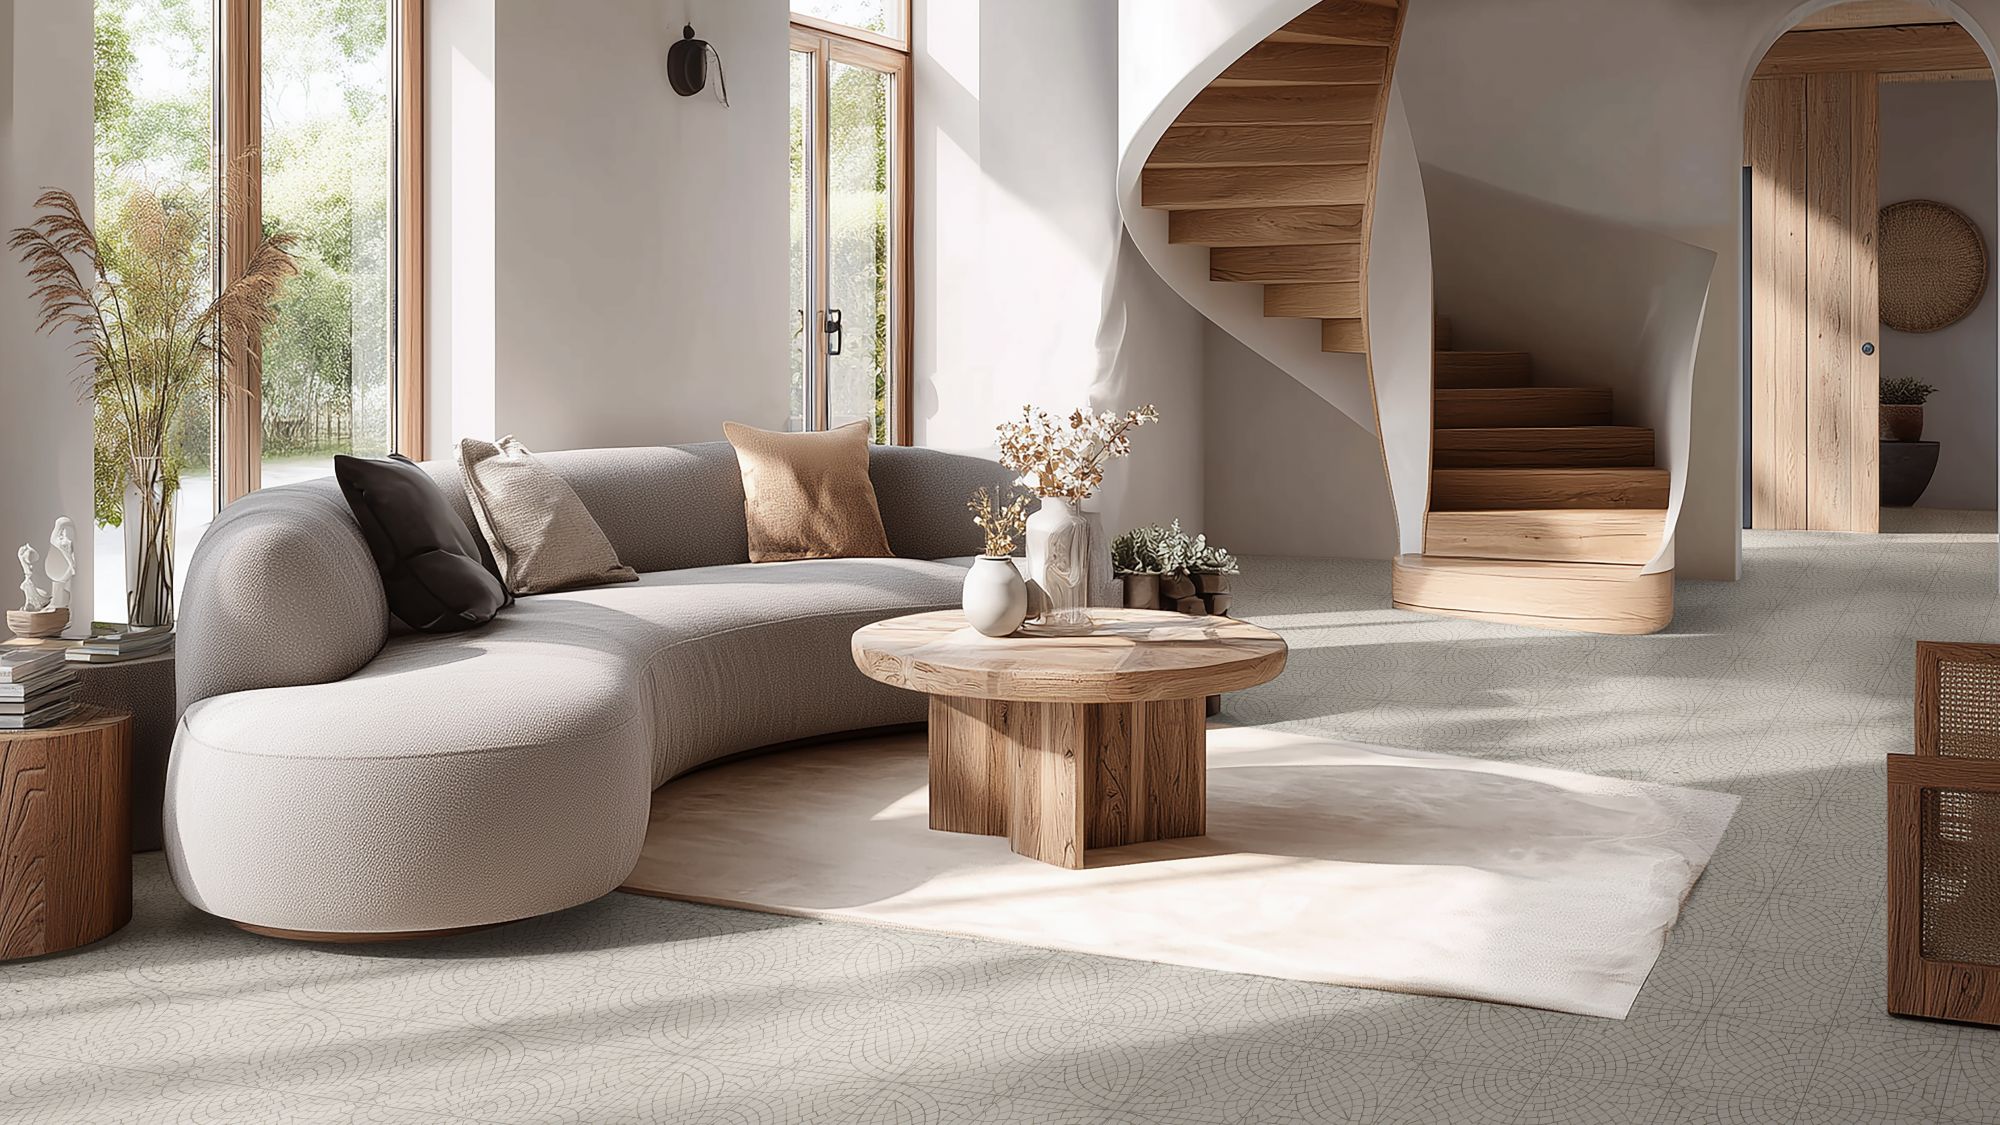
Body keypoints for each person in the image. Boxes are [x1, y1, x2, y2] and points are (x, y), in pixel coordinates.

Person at [45, 517, 74, 611]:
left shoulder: (61, 540)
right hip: (62, 572)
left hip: (64, 572)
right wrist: (71, 564)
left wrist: (71, 564)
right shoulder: (57, 540)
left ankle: (58, 604)